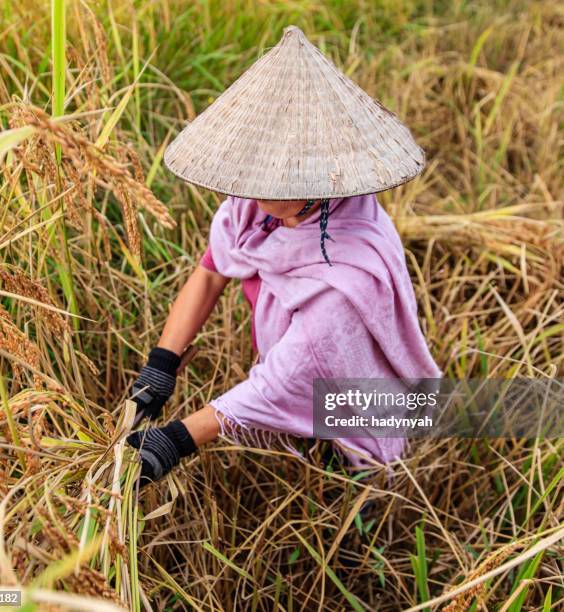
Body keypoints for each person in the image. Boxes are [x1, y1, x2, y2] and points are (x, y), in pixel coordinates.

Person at [126, 26, 441, 485]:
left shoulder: (345, 278)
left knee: (352, 470)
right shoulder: (256, 209)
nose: (242, 195)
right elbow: (211, 272)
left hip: (343, 394)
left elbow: (283, 382)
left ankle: (365, 497)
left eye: (260, 187)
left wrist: (176, 439)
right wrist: (162, 363)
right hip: (293, 366)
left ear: (305, 189)